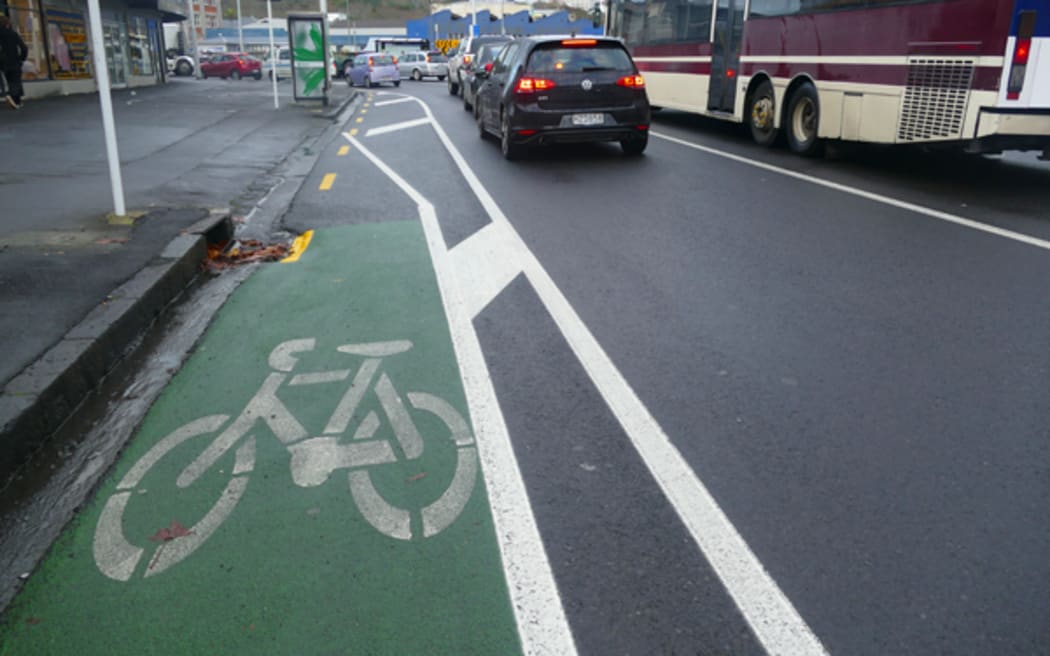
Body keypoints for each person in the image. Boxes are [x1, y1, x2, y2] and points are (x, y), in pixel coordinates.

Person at [0, 14, 28, 109]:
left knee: (10, 81)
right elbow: (24, 48)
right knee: (15, 81)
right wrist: (22, 59)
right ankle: (11, 96)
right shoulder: (13, 34)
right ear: (7, 24)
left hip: (2, 63)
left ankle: (17, 101)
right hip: (14, 61)